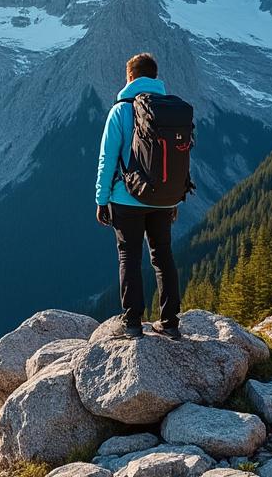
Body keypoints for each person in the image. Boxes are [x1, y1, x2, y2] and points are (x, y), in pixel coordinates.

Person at [95, 52, 183, 339]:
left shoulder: (121, 110)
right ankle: (170, 323)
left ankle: (132, 323)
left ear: (130, 77)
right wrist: (174, 197)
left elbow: (107, 159)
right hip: (164, 197)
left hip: (126, 197)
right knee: (163, 255)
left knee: (129, 257)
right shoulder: (172, 111)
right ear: (155, 77)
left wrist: (101, 199)